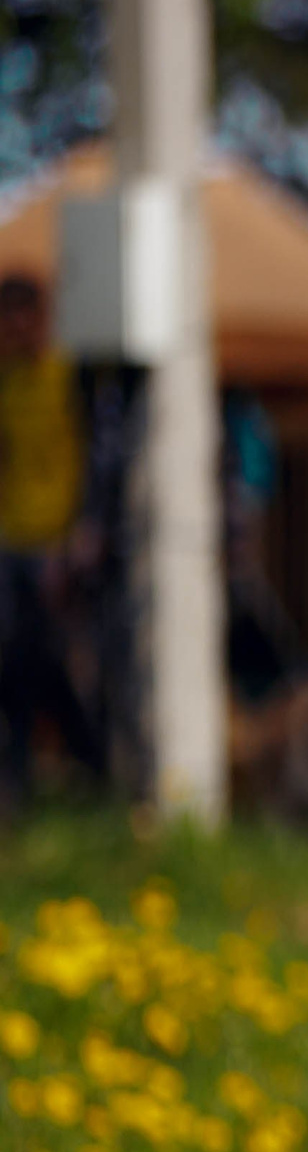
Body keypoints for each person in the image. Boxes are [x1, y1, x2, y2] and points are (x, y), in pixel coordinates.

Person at [0, 272, 103, 804]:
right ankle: (18, 776)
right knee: (12, 658)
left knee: (54, 658)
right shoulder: (7, 379)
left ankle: (90, 765)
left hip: (57, 541)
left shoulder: (71, 373)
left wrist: (85, 529)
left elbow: (92, 454)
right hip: (10, 538)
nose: (16, 329)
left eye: (25, 316)